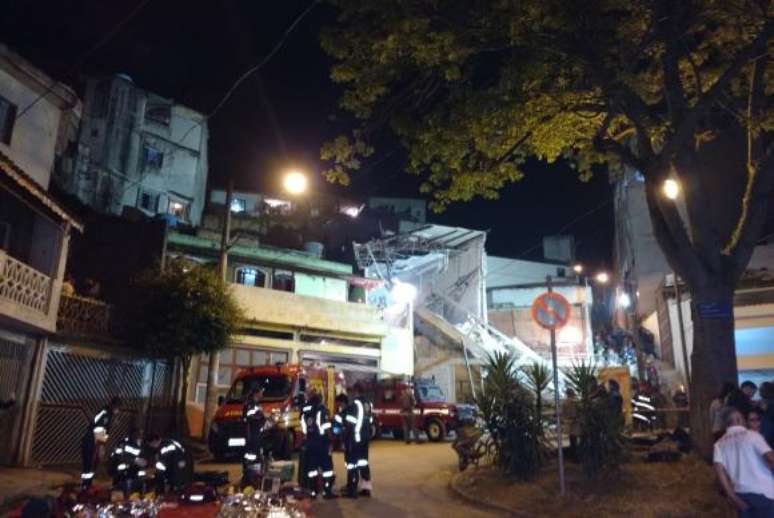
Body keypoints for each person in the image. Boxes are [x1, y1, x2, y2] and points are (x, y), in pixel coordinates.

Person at [713, 407, 774, 517]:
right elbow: (771, 458)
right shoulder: (753, 436)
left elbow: (721, 477)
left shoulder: (719, 445)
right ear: (739, 420)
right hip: (765, 495)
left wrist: (734, 499)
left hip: (741, 496)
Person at [301, 389, 337, 499]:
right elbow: (326, 426)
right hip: (321, 442)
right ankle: (327, 491)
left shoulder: (305, 409)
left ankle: (313, 491)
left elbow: (303, 426)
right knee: (327, 467)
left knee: (312, 468)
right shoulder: (321, 409)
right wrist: (331, 439)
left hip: (310, 442)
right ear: (319, 399)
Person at [81, 397, 121, 489]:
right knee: (89, 466)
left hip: (94, 442)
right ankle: (85, 486)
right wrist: (101, 445)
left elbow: (104, 431)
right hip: (91, 442)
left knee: (91, 466)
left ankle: (88, 485)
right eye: (117, 407)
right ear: (113, 406)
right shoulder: (105, 414)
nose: (118, 410)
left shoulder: (108, 414)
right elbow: (99, 429)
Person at [343, 383, 372, 498]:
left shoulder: (355, 404)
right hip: (366, 437)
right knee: (364, 462)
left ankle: (352, 488)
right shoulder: (368, 403)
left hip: (356, 438)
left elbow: (350, 422)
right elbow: (369, 420)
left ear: (356, 391)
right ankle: (366, 488)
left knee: (353, 464)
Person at [109, 426, 146, 494]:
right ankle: (116, 488)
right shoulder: (124, 443)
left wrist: (140, 462)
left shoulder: (139, 444)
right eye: (137, 434)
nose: (139, 436)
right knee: (121, 472)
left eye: (140, 435)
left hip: (132, 465)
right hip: (120, 464)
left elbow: (141, 456)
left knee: (140, 474)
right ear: (132, 434)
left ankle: (136, 490)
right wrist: (133, 461)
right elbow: (119, 456)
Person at [242, 387, 266, 486]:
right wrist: (259, 413)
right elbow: (248, 416)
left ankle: (255, 477)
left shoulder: (255, 404)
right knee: (252, 456)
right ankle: (251, 478)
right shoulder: (250, 404)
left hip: (256, 434)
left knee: (257, 456)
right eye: (261, 392)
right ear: (256, 393)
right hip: (251, 435)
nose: (262, 395)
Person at [562, 388, 580, 460]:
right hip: (574, 423)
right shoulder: (573, 402)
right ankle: (574, 457)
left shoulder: (565, 402)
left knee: (572, 440)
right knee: (574, 440)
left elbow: (564, 413)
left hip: (568, 422)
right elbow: (575, 413)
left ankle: (572, 456)